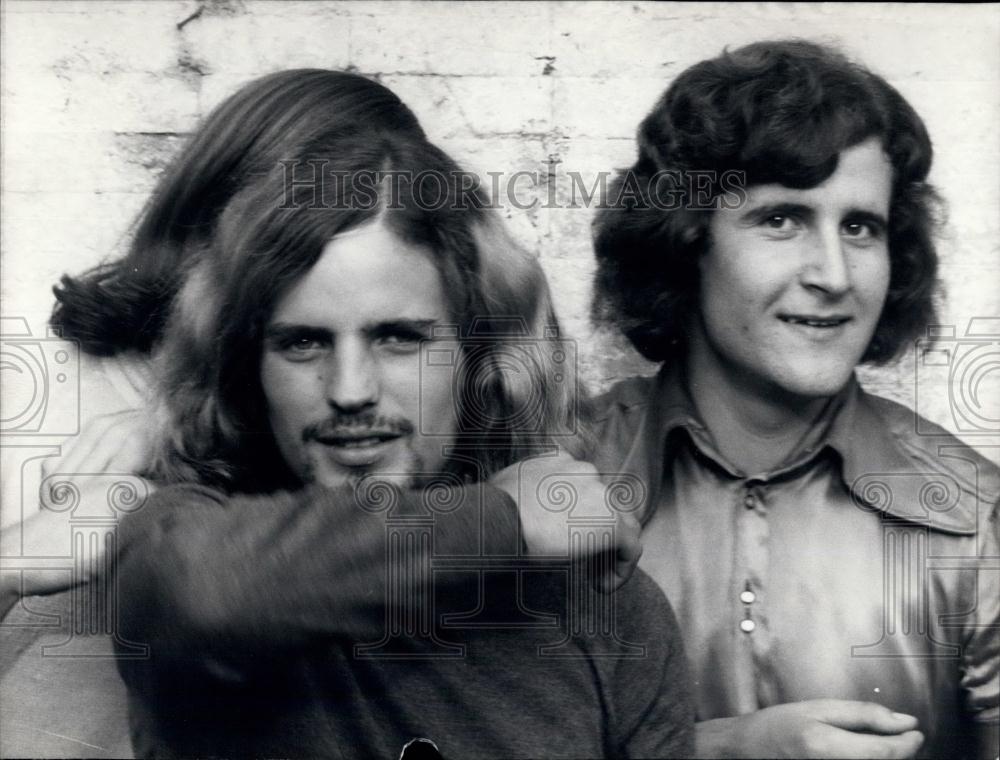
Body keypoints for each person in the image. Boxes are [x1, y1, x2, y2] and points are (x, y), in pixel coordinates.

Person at [111, 130, 693, 758]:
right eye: (302, 342)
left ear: (479, 354)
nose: (350, 390)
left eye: (398, 338)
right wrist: (502, 519)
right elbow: (199, 597)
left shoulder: (604, 611)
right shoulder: (176, 539)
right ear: (244, 367)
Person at [588, 39, 999, 759]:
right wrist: (715, 751)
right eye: (782, 219)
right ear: (686, 242)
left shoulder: (975, 520)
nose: (834, 275)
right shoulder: (560, 486)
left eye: (860, 227)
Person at [1, 69, 425, 758]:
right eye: (294, 241)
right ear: (211, 222)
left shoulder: (351, 422)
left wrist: (184, 425)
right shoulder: (32, 391)